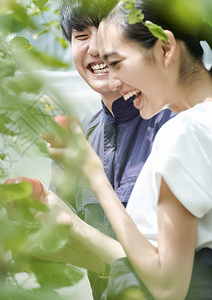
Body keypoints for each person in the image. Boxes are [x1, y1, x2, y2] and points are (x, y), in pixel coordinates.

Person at [48, 0, 212, 298]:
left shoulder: (182, 133)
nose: (115, 80)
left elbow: (167, 285)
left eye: (117, 62)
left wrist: (94, 177)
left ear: (164, 48)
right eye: (81, 36)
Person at [50, 0, 173, 298]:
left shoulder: (175, 125)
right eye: (81, 36)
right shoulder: (78, 136)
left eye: (107, 29)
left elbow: (175, 271)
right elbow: (89, 254)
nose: (94, 49)